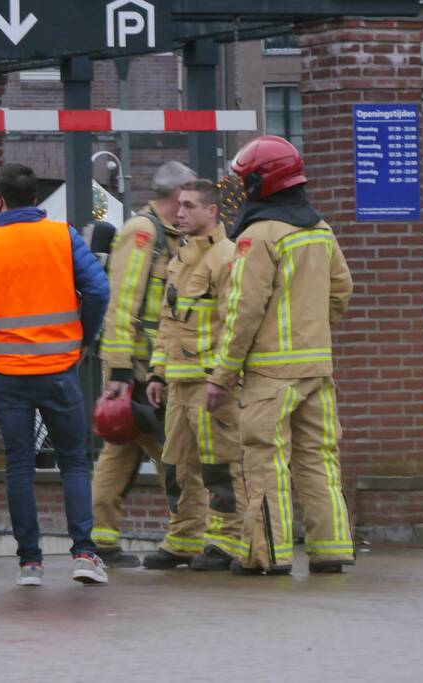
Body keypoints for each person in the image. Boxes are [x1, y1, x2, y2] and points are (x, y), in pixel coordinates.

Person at [0, 163, 111, 587]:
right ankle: (84, 553)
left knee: (18, 466)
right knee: (75, 462)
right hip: (61, 368)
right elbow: (97, 290)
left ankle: (30, 564)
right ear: (34, 199)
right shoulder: (63, 236)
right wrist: (83, 340)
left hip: (8, 372)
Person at [206, 135, 355, 575]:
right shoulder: (320, 230)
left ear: (259, 183)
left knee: (263, 462)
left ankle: (266, 555)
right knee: (319, 460)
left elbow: (242, 313)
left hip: (271, 376)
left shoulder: (257, 237)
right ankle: (332, 550)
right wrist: (313, 331)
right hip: (317, 369)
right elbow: (341, 290)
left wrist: (221, 375)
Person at [93, 161, 196, 567]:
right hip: (139, 368)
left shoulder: (167, 234)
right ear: (176, 195)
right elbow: (121, 303)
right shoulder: (143, 233)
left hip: (149, 366)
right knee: (171, 452)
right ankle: (186, 535)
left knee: (121, 452)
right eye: (187, 197)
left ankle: (101, 540)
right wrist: (120, 369)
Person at [143, 179, 246, 571]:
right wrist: (156, 372)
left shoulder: (226, 258)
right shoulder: (179, 259)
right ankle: (184, 536)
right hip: (179, 383)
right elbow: (167, 322)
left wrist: (222, 378)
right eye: (179, 205)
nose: (180, 213)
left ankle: (225, 539)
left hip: (208, 382)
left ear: (211, 211)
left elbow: (235, 324)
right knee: (176, 464)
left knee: (220, 464)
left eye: (189, 206)